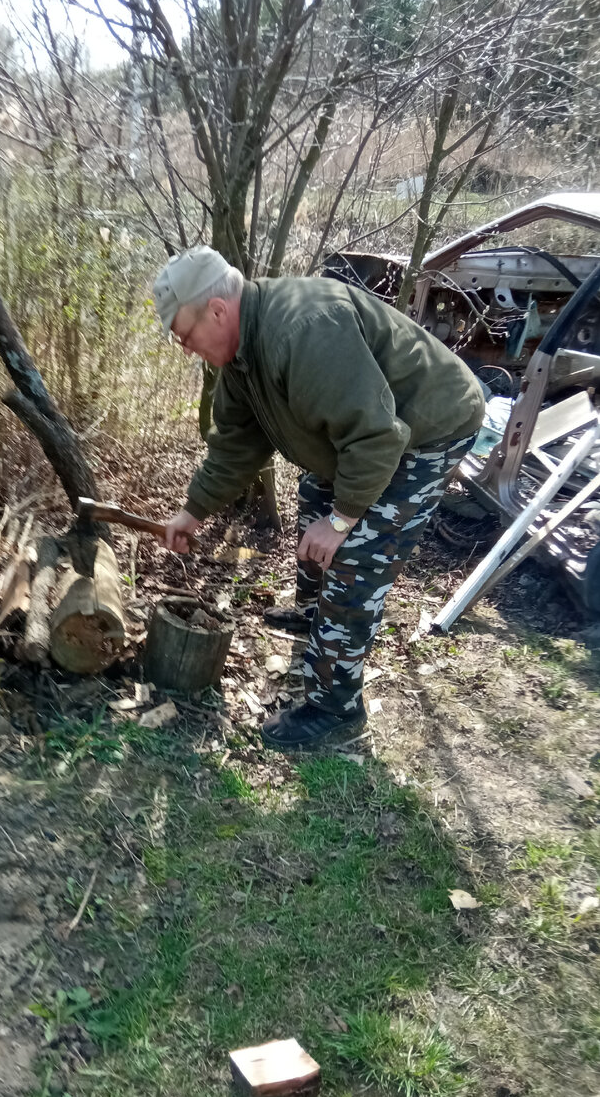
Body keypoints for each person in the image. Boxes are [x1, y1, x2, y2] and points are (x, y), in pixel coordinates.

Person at [153, 246, 485, 750]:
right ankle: (315, 613)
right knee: (315, 493)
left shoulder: (302, 330)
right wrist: (192, 511)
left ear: (217, 311)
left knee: (355, 557)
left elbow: (378, 437)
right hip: (369, 434)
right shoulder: (241, 356)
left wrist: (344, 520)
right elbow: (237, 445)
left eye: (184, 334)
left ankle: (336, 709)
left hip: (428, 427)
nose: (185, 348)